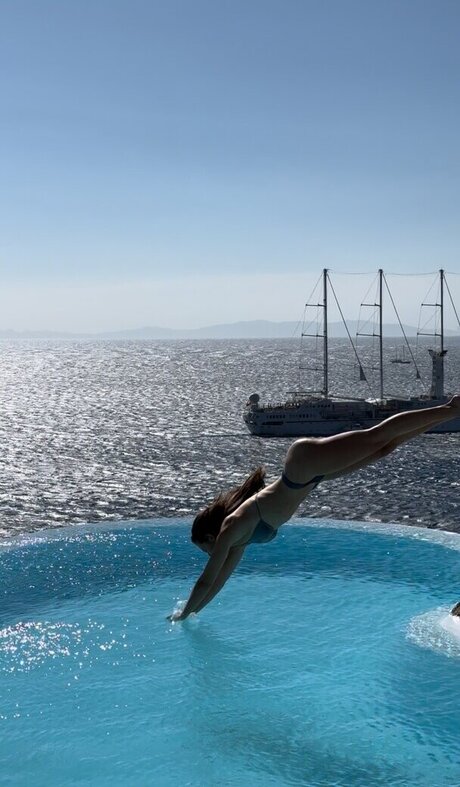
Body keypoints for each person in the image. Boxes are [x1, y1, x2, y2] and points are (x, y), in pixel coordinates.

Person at [168, 396, 460, 621]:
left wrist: (183, 614)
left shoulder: (231, 527)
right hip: (310, 477)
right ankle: (451, 412)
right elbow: (217, 583)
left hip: (302, 465)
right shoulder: (239, 540)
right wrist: (189, 615)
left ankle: (450, 407)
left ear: (210, 536)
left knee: (376, 436)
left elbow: (206, 579)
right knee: (384, 448)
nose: (209, 554)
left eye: (205, 549)